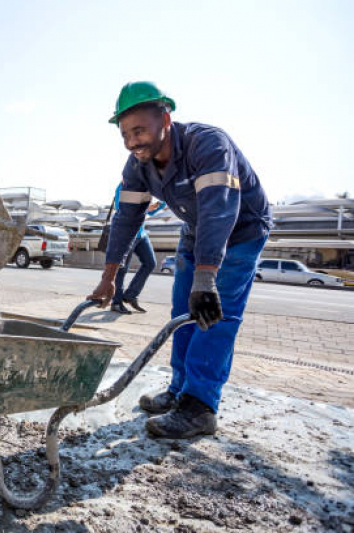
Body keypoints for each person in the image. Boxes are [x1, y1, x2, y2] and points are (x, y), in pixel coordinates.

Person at [89, 81, 271, 438]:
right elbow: (126, 219)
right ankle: (180, 389)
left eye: (139, 130)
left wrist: (207, 279)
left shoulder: (208, 144)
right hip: (195, 230)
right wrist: (108, 278)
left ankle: (200, 407)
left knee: (213, 315)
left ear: (165, 118)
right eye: (125, 134)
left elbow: (220, 212)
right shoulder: (138, 165)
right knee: (184, 313)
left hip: (240, 231)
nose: (132, 142)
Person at [109, 181, 165, 314]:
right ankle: (116, 303)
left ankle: (131, 295)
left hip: (141, 234)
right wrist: (146, 208)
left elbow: (151, 212)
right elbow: (120, 207)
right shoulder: (123, 185)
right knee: (122, 269)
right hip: (126, 233)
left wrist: (162, 201)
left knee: (150, 263)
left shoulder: (147, 186)